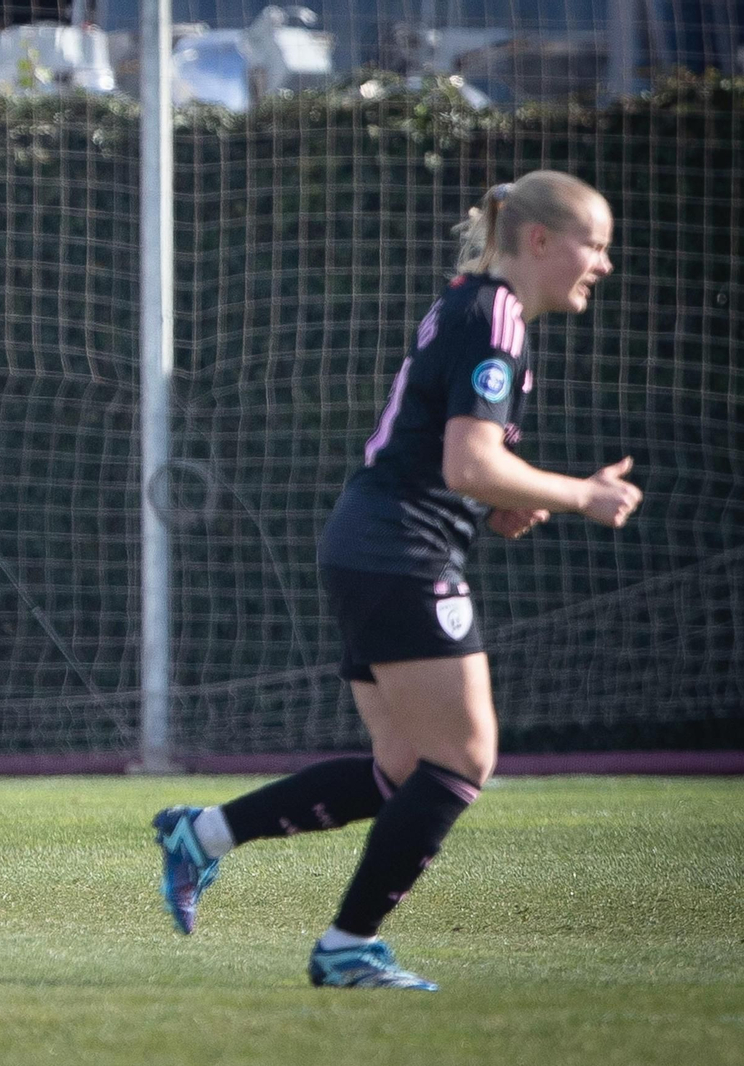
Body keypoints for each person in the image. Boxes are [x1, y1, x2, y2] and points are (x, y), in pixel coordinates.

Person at [152, 171, 642, 989]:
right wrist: (580, 494)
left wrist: (496, 507)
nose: (605, 264)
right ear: (540, 240)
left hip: (373, 539)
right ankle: (348, 947)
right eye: (596, 245)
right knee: (462, 760)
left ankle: (203, 836)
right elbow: (470, 460)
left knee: (406, 767)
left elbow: (452, 463)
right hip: (400, 550)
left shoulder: (476, 305)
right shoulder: (494, 315)